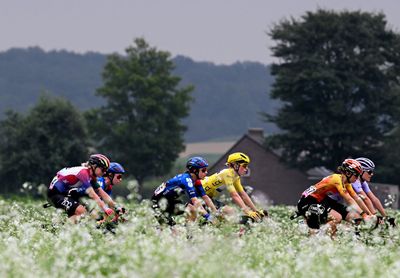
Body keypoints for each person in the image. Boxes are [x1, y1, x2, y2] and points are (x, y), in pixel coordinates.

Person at [296, 158, 371, 233]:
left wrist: (369, 215)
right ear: (348, 173)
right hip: (308, 201)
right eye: (356, 175)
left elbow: (357, 198)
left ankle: (339, 238)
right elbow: (349, 200)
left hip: (322, 199)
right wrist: (364, 215)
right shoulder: (337, 179)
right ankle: (317, 233)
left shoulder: (346, 183)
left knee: (356, 218)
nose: (357, 178)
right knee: (337, 218)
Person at [47, 154, 114, 223]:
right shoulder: (83, 173)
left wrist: (116, 208)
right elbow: (92, 194)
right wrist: (105, 208)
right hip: (54, 194)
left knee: (84, 214)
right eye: (103, 169)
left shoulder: (92, 176)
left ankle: (60, 226)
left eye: (106, 170)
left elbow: (101, 192)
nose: (105, 172)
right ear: (94, 166)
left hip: (64, 194)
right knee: (82, 212)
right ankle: (58, 228)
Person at [200, 152, 265, 222]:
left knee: (226, 216)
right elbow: (235, 196)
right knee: (229, 212)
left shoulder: (235, 177)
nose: (246, 169)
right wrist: (248, 212)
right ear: (236, 165)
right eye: (244, 166)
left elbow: (243, 195)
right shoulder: (227, 173)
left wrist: (256, 211)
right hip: (198, 197)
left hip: (207, 198)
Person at [151, 157, 217, 226]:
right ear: (195, 170)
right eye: (203, 170)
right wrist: (208, 216)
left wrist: (216, 213)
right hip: (158, 204)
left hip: (170, 202)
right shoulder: (186, 180)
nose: (206, 172)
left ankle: (189, 233)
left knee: (192, 210)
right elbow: (195, 201)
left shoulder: (196, 180)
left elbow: (205, 198)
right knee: (173, 230)